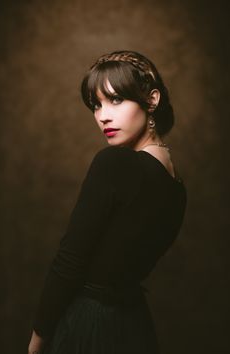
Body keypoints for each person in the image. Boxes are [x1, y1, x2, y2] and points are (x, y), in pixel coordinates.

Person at [28, 50, 187, 354]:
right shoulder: (177, 185)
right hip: (134, 327)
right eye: (96, 104)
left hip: (90, 326)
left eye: (116, 100)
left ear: (152, 100)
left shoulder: (116, 163)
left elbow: (69, 261)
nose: (103, 116)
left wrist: (38, 340)